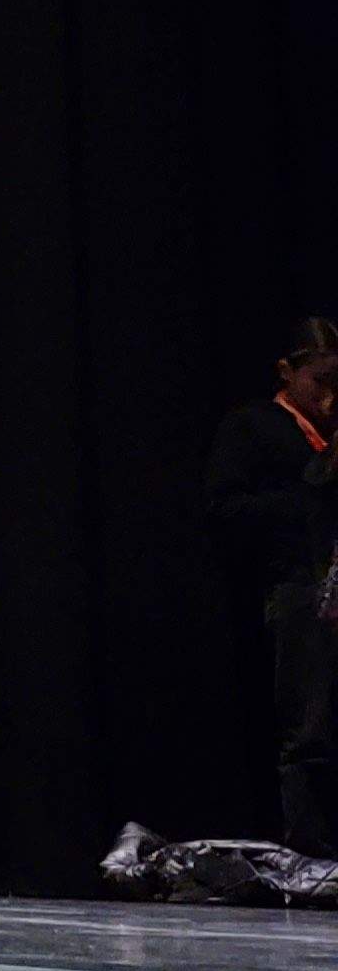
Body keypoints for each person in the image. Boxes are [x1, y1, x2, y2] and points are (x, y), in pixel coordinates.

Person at [207, 318, 338, 856]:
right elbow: (225, 510)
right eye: (320, 381)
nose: (330, 396)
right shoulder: (255, 427)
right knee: (310, 729)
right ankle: (313, 854)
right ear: (287, 372)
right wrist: (314, 483)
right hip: (300, 589)